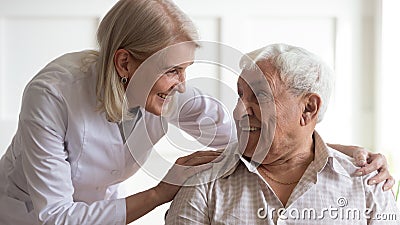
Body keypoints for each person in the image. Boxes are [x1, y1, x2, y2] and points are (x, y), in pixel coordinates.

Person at [0, 0, 393, 224]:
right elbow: (56, 216)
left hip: (100, 208)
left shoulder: (166, 89)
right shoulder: (50, 95)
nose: (183, 85)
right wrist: (158, 193)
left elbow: (242, 132)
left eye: (186, 69)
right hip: (30, 214)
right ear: (125, 64)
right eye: (173, 70)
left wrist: (341, 152)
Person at [165, 44, 400, 224]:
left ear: (308, 109)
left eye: (259, 96)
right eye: (240, 95)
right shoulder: (204, 182)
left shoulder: (369, 185)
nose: (238, 111)